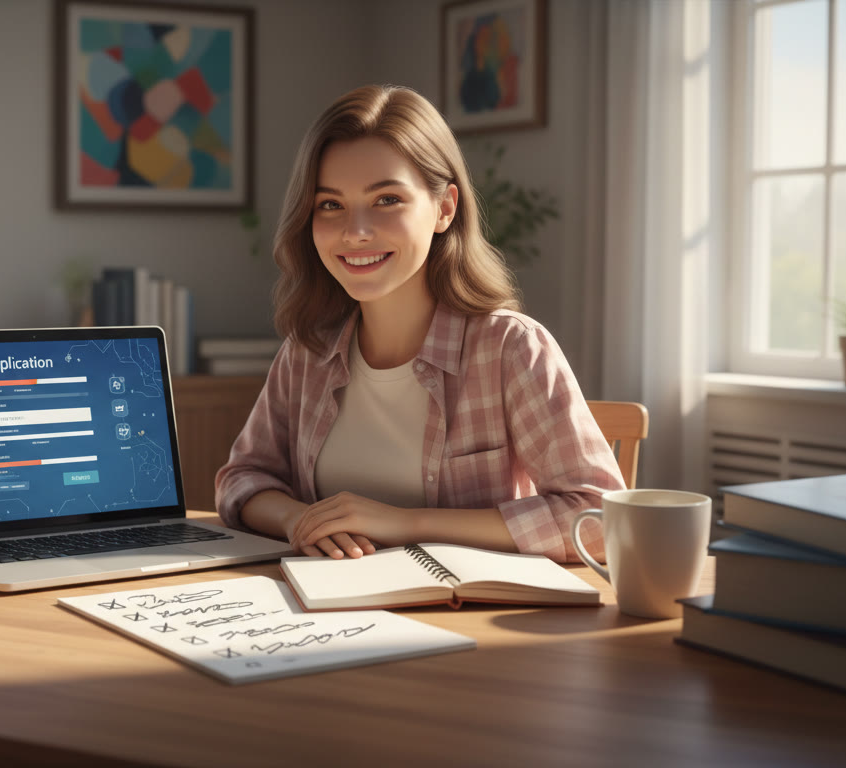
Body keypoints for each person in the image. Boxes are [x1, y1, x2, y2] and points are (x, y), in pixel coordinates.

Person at [214, 84, 623, 563]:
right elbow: (242, 479)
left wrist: (405, 523)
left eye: (386, 199)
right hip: (322, 611)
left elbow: (597, 518)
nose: (355, 231)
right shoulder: (307, 352)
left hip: (473, 625)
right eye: (330, 204)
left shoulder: (510, 348)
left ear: (445, 208)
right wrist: (299, 522)